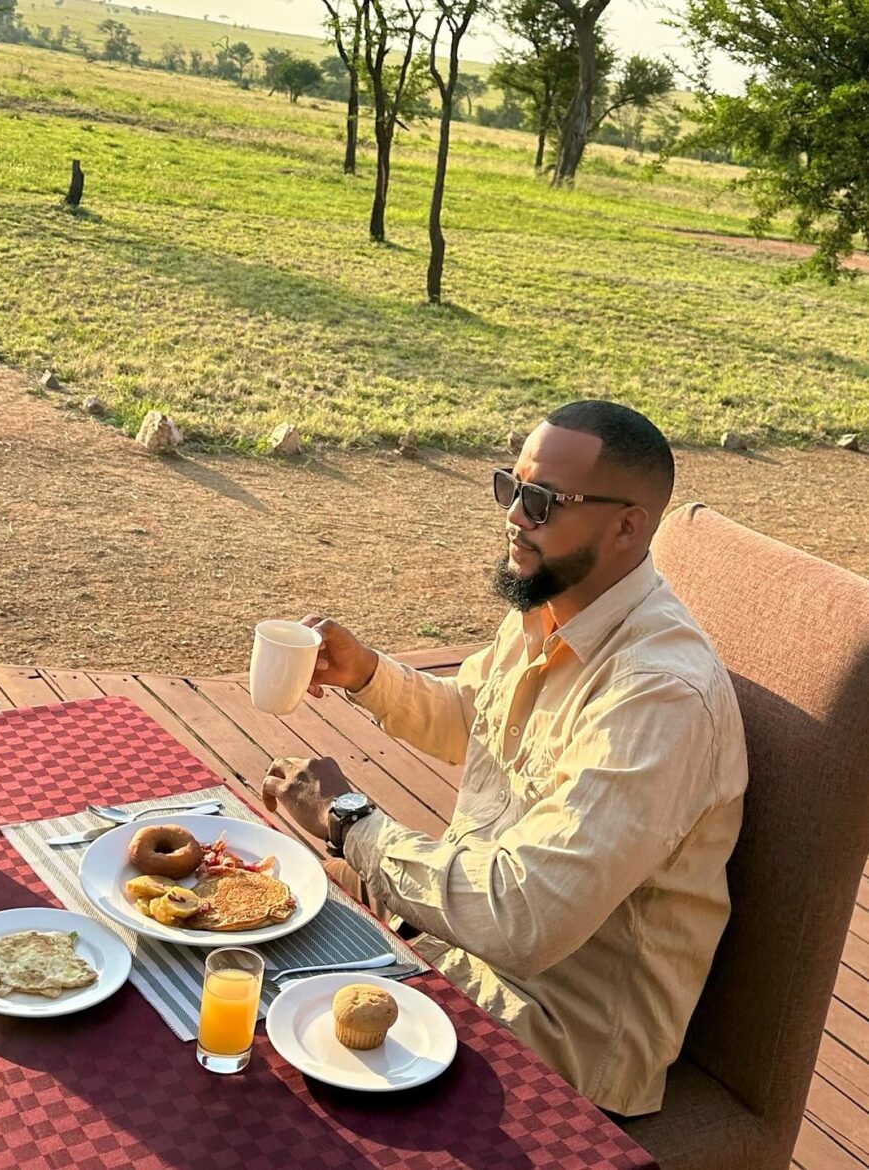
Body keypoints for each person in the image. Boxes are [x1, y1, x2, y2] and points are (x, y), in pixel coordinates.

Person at [261, 400, 747, 1118]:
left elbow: (524, 919)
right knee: (234, 929)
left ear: (626, 526)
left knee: (271, 1079)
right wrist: (366, 673)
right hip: (456, 951)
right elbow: (478, 722)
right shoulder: (556, 604)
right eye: (510, 487)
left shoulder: (658, 697)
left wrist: (351, 822)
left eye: (543, 501)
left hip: (555, 1039)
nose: (515, 516)